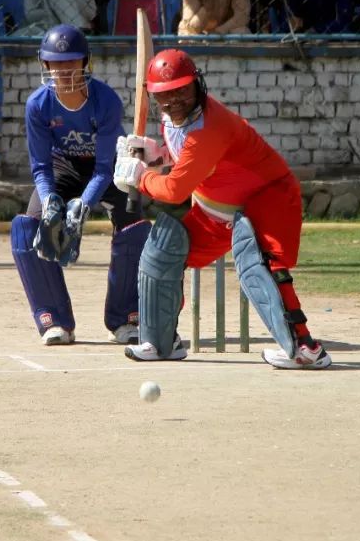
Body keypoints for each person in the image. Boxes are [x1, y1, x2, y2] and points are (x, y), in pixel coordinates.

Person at [113, 49, 331, 370]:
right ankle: (162, 342)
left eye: (182, 90)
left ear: (197, 85)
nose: (175, 100)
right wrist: (156, 156)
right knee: (163, 254)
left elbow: (174, 191)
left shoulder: (211, 127)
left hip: (267, 197)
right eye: (165, 95)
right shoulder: (171, 119)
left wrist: (140, 176)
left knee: (266, 268)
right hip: (215, 207)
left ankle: (307, 348)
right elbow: (187, 158)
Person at [11, 24, 150, 347]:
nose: (64, 70)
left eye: (71, 62)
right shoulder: (38, 104)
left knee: (133, 225)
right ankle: (54, 319)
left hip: (108, 167)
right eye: (56, 63)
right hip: (64, 167)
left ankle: (125, 317)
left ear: (86, 63)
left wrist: (82, 207)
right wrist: (49, 202)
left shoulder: (106, 101)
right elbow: (41, 166)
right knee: (28, 227)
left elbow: (103, 169)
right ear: (44, 64)